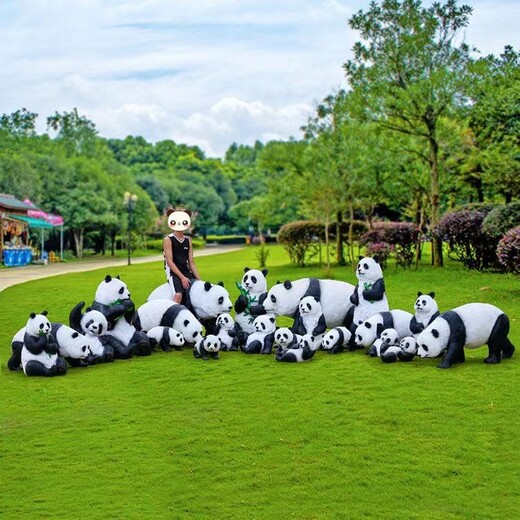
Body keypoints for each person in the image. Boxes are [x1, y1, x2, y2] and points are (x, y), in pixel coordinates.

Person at [163, 208, 201, 303]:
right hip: (173, 273)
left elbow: (191, 262)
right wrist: (182, 278)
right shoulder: (168, 239)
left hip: (186, 271)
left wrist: (199, 280)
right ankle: (173, 315)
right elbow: (170, 262)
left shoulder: (188, 240)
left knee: (199, 291)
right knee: (178, 295)